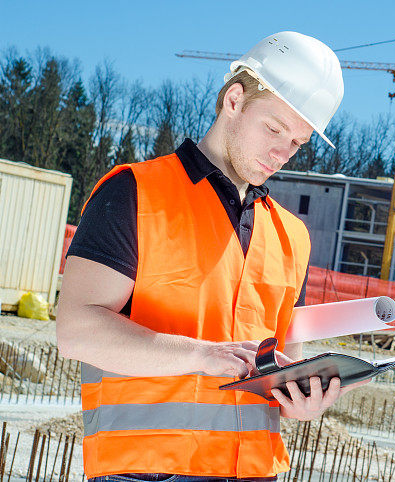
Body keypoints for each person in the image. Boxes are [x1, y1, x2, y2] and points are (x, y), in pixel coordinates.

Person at [56, 31, 358, 482]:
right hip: (147, 473)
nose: (282, 152)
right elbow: (77, 332)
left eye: (297, 142)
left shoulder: (291, 236)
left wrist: (303, 400)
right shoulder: (134, 193)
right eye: (274, 128)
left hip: (255, 472)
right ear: (233, 100)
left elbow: (284, 364)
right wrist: (201, 355)